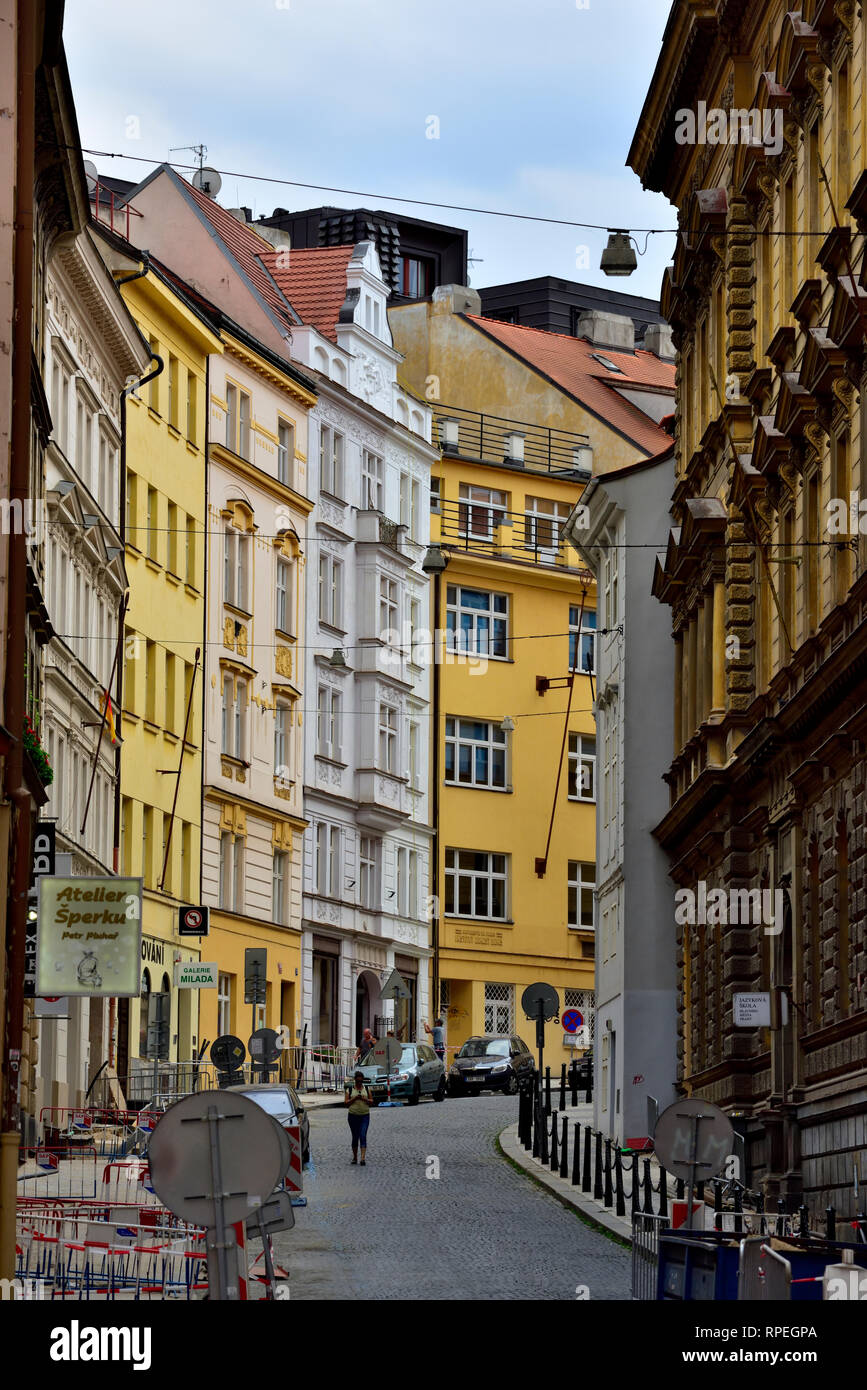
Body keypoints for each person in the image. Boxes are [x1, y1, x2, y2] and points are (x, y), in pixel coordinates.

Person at [344, 1069, 373, 1165]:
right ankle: (355, 1157)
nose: (360, 1083)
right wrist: (355, 1098)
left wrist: (365, 1099)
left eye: (361, 1081)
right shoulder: (350, 1090)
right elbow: (346, 1103)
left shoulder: (367, 1089)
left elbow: (372, 1101)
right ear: (355, 1080)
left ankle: (363, 1158)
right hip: (353, 1116)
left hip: (365, 1116)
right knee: (355, 1136)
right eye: (358, 1081)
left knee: (363, 1135)